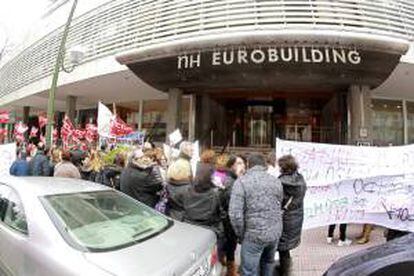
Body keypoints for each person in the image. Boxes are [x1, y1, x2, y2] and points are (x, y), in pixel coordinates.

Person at [229, 153, 283, 276]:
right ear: (264, 165)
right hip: (274, 233)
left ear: (248, 165)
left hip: (253, 235)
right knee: (268, 264)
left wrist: (241, 234)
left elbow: (235, 214)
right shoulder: (275, 181)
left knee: (249, 271)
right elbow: (279, 203)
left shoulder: (241, 182)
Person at [277, 155, 307, 276]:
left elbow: (278, 200)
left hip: (285, 218)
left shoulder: (282, 182)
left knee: (282, 247)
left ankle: (284, 271)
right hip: (296, 218)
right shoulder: (300, 179)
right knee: (285, 248)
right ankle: (285, 269)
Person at [180, 163, 224, 239]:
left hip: (189, 226)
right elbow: (220, 213)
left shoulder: (186, 190)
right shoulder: (215, 194)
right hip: (208, 229)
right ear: (210, 178)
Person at [220, 155, 245, 276]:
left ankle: (224, 260)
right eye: (239, 163)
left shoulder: (232, 178)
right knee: (231, 244)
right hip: (228, 218)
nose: (243, 165)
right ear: (231, 166)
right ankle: (231, 271)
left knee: (228, 243)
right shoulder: (231, 181)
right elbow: (230, 202)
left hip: (227, 217)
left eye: (243, 163)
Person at [166, 141, 193, 220]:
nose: (193, 153)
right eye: (191, 150)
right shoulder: (184, 163)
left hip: (172, 213)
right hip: (182, 217)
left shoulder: (176, 162)